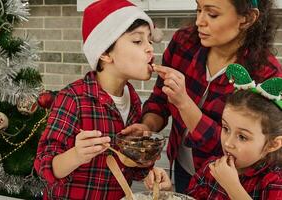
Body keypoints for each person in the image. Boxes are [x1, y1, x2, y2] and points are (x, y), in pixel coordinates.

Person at [122, 0, 282, 193]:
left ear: (247, 18)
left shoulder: (265, 73)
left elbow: (238, 143)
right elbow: (160, 100)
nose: (199, 21)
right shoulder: (184, 43)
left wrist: (184, 103)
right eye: (198, 9)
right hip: (184, 167)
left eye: (212, 14)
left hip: (230, 181)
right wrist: (148, 126)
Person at [34, 0, 163, 199]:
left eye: (149, 41)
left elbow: (132, 170)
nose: (149, 49)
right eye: (138, 41)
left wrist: (147, 165)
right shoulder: (73, 98)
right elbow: (44, 166)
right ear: (104, 53)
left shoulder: (134, 101)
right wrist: (76, 155)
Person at [144, 66, 282, 199]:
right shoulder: (209, 168)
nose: (228, 143)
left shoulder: (274, 182)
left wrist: (232, 187)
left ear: (273, 144)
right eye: (226, 128)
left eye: (242, 137)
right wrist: (167, 193)